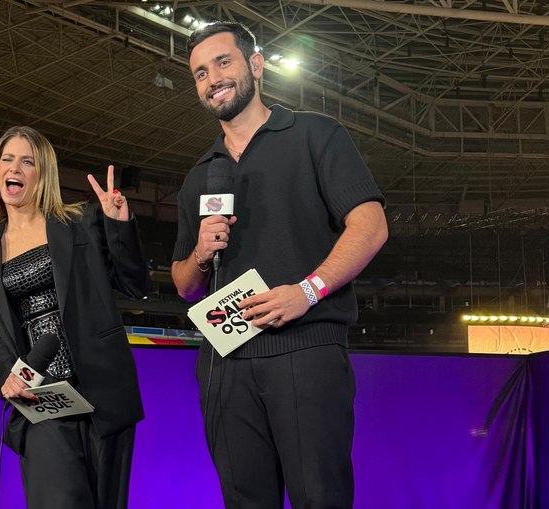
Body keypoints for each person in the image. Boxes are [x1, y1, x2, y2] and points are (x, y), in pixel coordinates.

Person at [171, 22, 388, 509]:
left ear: (255, 65)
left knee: (319, 498)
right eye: (200, 73)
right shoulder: (198, 176)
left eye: (223, 62)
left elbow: (371, 227)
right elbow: (184, 286)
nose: (212, 79)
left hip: (305, 349)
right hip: (223, 361)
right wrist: (202, 256)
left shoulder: (316, 134)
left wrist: (307, 291)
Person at [0, 126, 149, 508]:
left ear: (41, 174)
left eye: (27, 161)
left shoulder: (81, 223)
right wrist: (9, 376)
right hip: (43, 397)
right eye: (7, 159)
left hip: (102, 393)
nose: (15, 167)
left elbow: (134, 284)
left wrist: (118, 224)